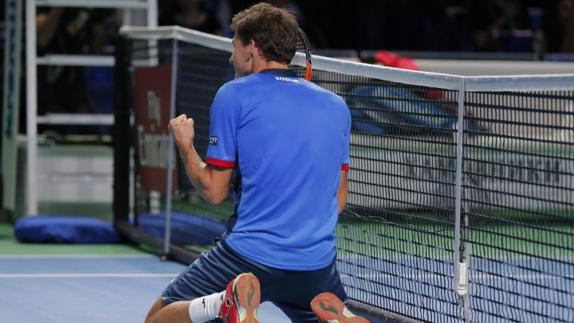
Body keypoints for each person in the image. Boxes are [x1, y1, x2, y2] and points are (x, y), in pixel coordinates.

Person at [144, 3, 368, 323]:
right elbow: (339, 200)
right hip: (316, 264)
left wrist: (185, 145)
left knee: (158, 318)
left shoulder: (234, 95)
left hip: (248, 255)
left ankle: (222, 304)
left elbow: (214, 191)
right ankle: (335, 317)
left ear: (252, 47)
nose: (231, 55)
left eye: (234, 45)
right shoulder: (336, 106)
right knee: (312, 304)